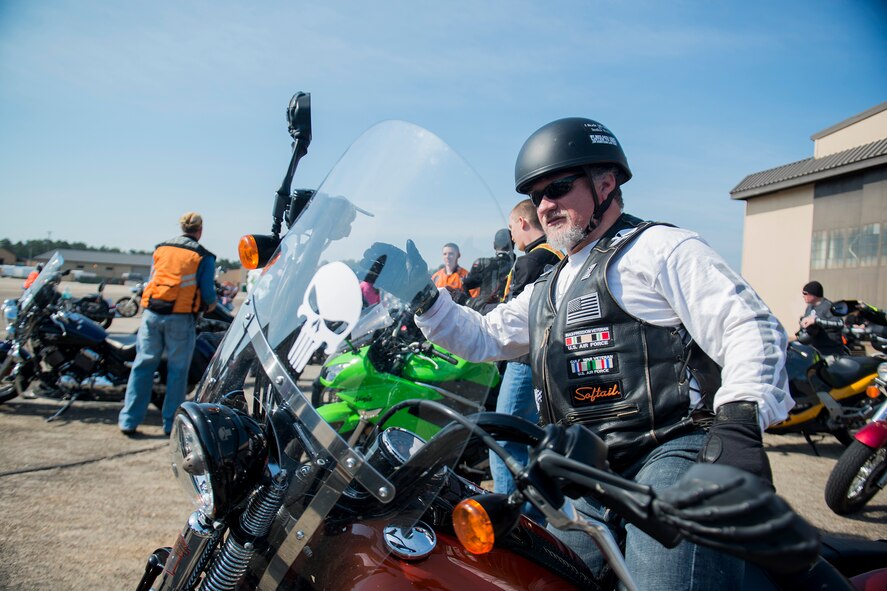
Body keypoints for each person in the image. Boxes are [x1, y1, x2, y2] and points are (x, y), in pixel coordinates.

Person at [362, 117, 793, 589]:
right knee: (537, 580)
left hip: (669, 455)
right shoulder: (551, 284)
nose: (546, 205)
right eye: (537, 196)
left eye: (560, 188)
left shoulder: (660, 249)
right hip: (589, 474)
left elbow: (750, 324)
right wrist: (423, 295)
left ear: (606, 184)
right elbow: (483, 336)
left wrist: (739, 421)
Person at [489, 199, 562, 517]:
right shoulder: (561, 255)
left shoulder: (530, 261)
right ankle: (537, 517)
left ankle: (514, 523)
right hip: (550, 361)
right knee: (535, 445)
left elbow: (508, 315)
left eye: (510, 228)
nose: (511, 236)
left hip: (522, 362)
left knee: (503, 440)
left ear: (521, 222)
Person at [118, 212, 217, 437]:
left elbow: (153, 277)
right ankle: (170, 424)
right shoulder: (202, 256)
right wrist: (209, 306)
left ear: (182, 228)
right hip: (181, 318)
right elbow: (208, 293)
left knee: (143, 365)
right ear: (199, 231)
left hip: (152, 314)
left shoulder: (161, 248)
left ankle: (129, 420)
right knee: (177, 371)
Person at [462, 228, 515, 314]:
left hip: (484, 314)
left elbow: (465, 284)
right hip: (508, 314)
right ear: (513, 244)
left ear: (494, 245)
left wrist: (471, 304)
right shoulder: (520, 265)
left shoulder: (482, 264)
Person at [798, 280, 845, 356]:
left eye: (805, 293)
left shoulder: (829, 307)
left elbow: (840, 323)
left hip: (830, 352)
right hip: (815, 350)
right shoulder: (809, 307)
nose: (803, 296)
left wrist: (816, 321)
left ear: (814, 294)